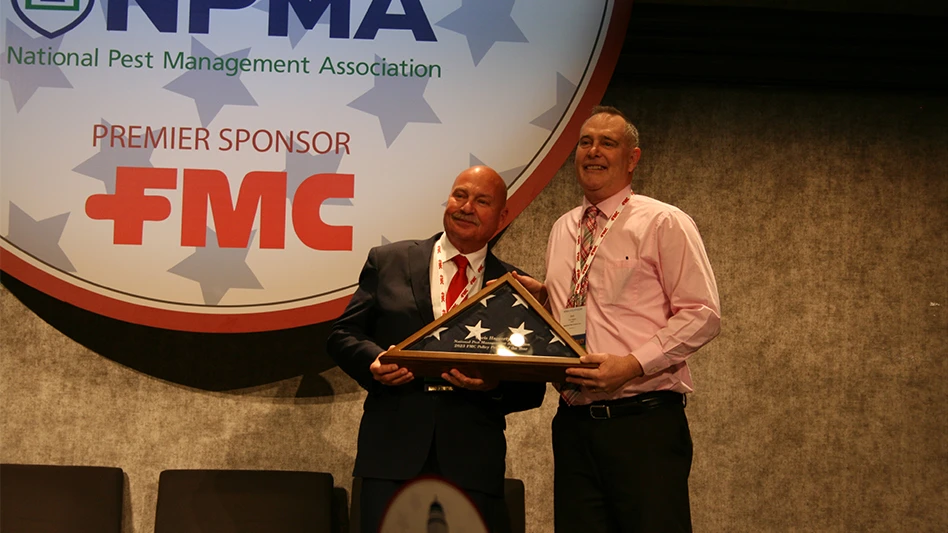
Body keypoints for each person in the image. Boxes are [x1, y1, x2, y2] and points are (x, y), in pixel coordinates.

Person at [515, 106, 721, 533]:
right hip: (572, 426)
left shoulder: (663, 221)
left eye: (608, 142)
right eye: (586, 142)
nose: (593, 151)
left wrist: (631, 365)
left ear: (632, 158)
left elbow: (702, 314)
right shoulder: (562, 229)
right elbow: (582, 311)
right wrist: (545, 302)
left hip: (643, 425)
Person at [327, 165, 546, 533]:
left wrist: (492, 385)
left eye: (482, 201)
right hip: (391, 457)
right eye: (460, 195)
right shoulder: (389, 261)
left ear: (503, 216)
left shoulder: (513, 285)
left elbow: (532, 384)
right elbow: (342, 334)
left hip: (472, 462)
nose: (466, 207)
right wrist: (374, 361)